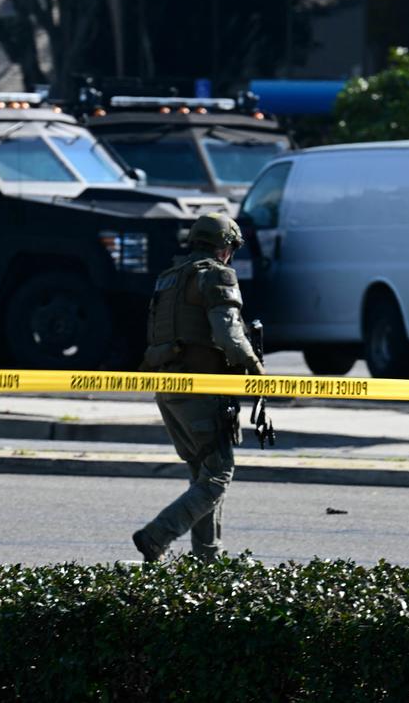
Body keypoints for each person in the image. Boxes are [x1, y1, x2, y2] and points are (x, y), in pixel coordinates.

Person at [132, 212, 264, 562]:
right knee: (218, 475)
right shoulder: (217, 275)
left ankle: (208, 555)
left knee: (202, 475)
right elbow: (229, 334)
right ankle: (156, 536)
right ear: (225, 248)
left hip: (169, 390)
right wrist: (255, 368)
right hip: (202, 390)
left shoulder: (168, 279)